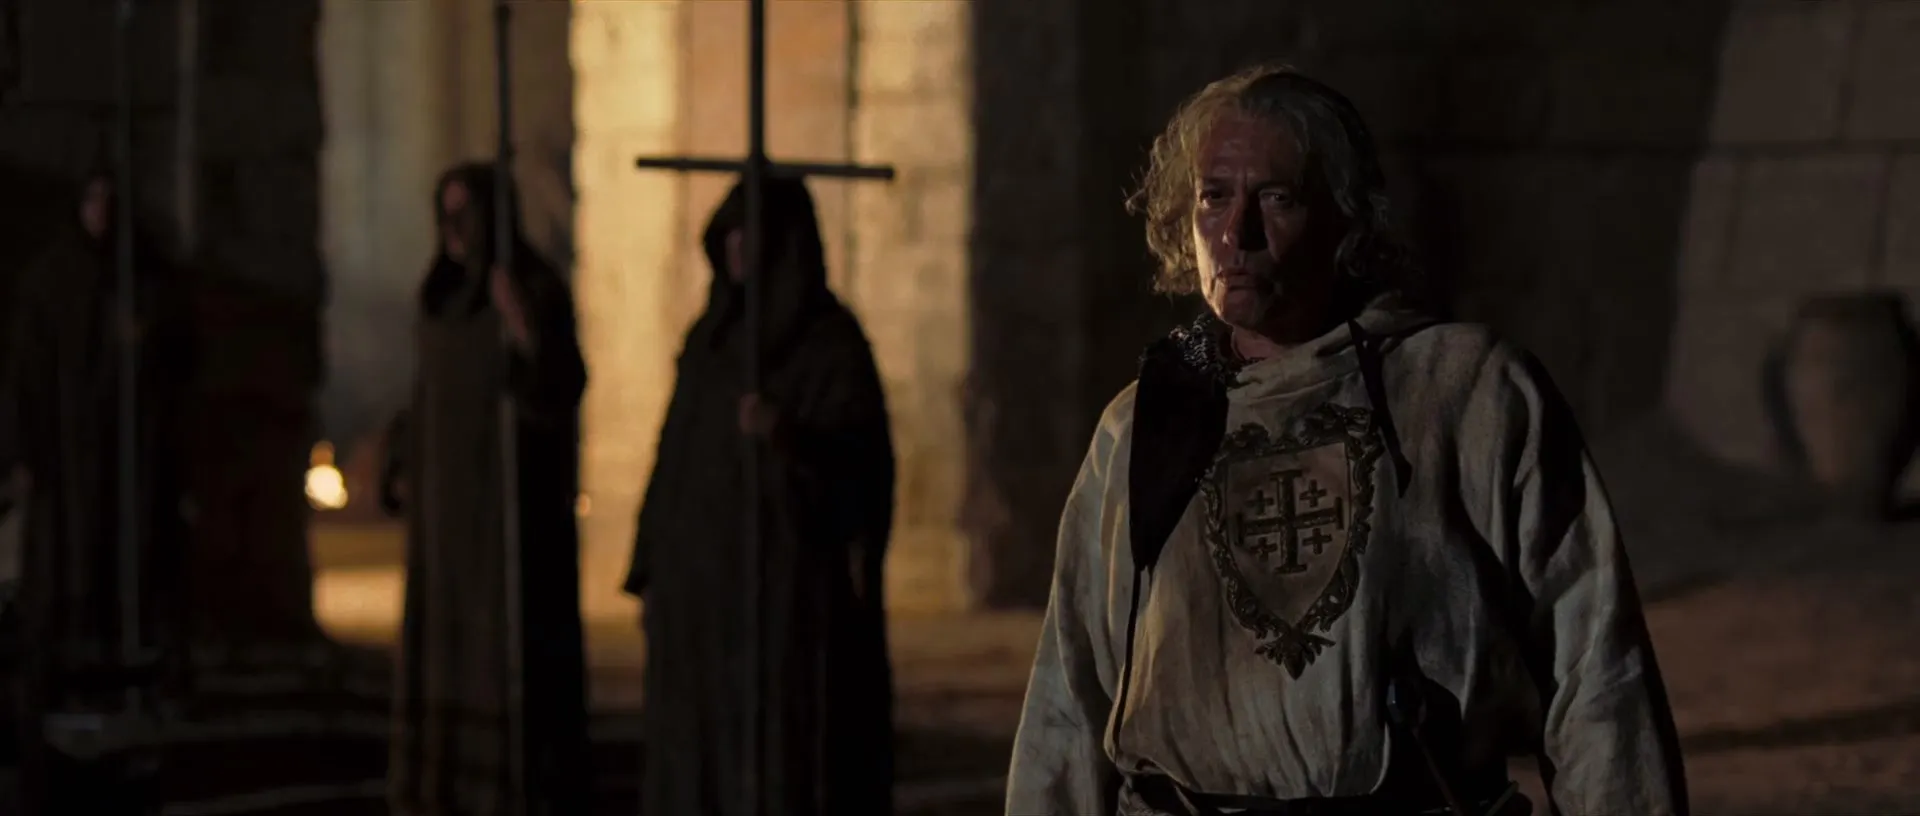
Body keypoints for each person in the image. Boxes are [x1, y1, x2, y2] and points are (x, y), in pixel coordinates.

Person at [1005, 65, 1689, 816]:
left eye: (1278, 198)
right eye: (1214, 196)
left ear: (1347, 218)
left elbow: (1595, 672)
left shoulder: (1465, 392)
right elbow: (1071, 697)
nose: (1237, 234)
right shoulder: (1145, 423)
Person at [626, 177, 897, 816]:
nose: (738, 246)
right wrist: (651, 565)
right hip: (703, 598)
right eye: (730, 233)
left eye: (752, 232)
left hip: (786, 595)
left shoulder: (828, 342)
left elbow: (861, 469)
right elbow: (675, 455)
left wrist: (786, 435)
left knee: (782, 750)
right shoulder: (712, 339)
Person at [382, 162, 590, 816]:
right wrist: (400, 460)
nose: (453, 229)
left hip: (505, 516)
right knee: (445, 651)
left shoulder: (533, 289)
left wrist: (522, 327)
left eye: (465, 214)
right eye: (444, 215)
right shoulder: (439, 296)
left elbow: (561, 386)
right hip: (445, 517)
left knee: (505, 649)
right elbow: (427, 392)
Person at [0, 167, 194, 813]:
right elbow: (25, 376)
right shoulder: (48, 283)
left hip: (127, 471)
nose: (101, 214)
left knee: (128, 582)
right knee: (63, 584)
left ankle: (131, 714)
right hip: (66, 471)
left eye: (112, 201)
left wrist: (144, 343)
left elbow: (180, 369)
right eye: (91, 200)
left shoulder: (146, 280)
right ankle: (56, 718)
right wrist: (24, 454)